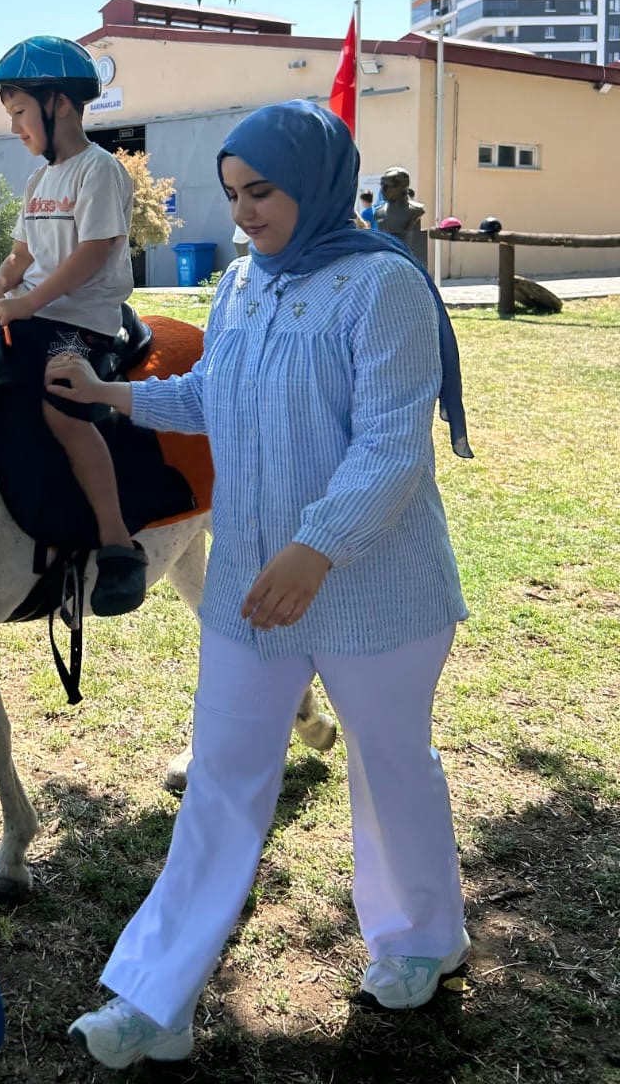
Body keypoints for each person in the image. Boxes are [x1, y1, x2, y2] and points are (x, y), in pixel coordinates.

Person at [47, 99, 473, 1071]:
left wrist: (316, 547)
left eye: (263, 191)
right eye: (234, 193)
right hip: (249, 586)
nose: (244, 213)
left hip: (378, 592)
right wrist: (116, 395)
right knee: (222, 785)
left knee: (391, 766)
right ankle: (157, 998)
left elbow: (395, 445)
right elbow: (210, 394)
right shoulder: (242, 284)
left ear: (316, 183)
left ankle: (421, 939)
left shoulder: (383, 288)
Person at [0, 35, 143, 616]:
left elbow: (93, 251)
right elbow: (19, 255)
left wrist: (28, 301)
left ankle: (117, 543)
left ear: (59, 103)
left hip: (82, 322)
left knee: (61, 408)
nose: (15, 127)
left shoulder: (100, 171)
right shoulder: (40, 182)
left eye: (19, 113)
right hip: (33, 310)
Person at [376, 166, 427, 266]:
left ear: (401, 187)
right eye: (382, 186)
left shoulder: (415, 211)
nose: (383, 190)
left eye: (387, 186)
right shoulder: (379, 213)